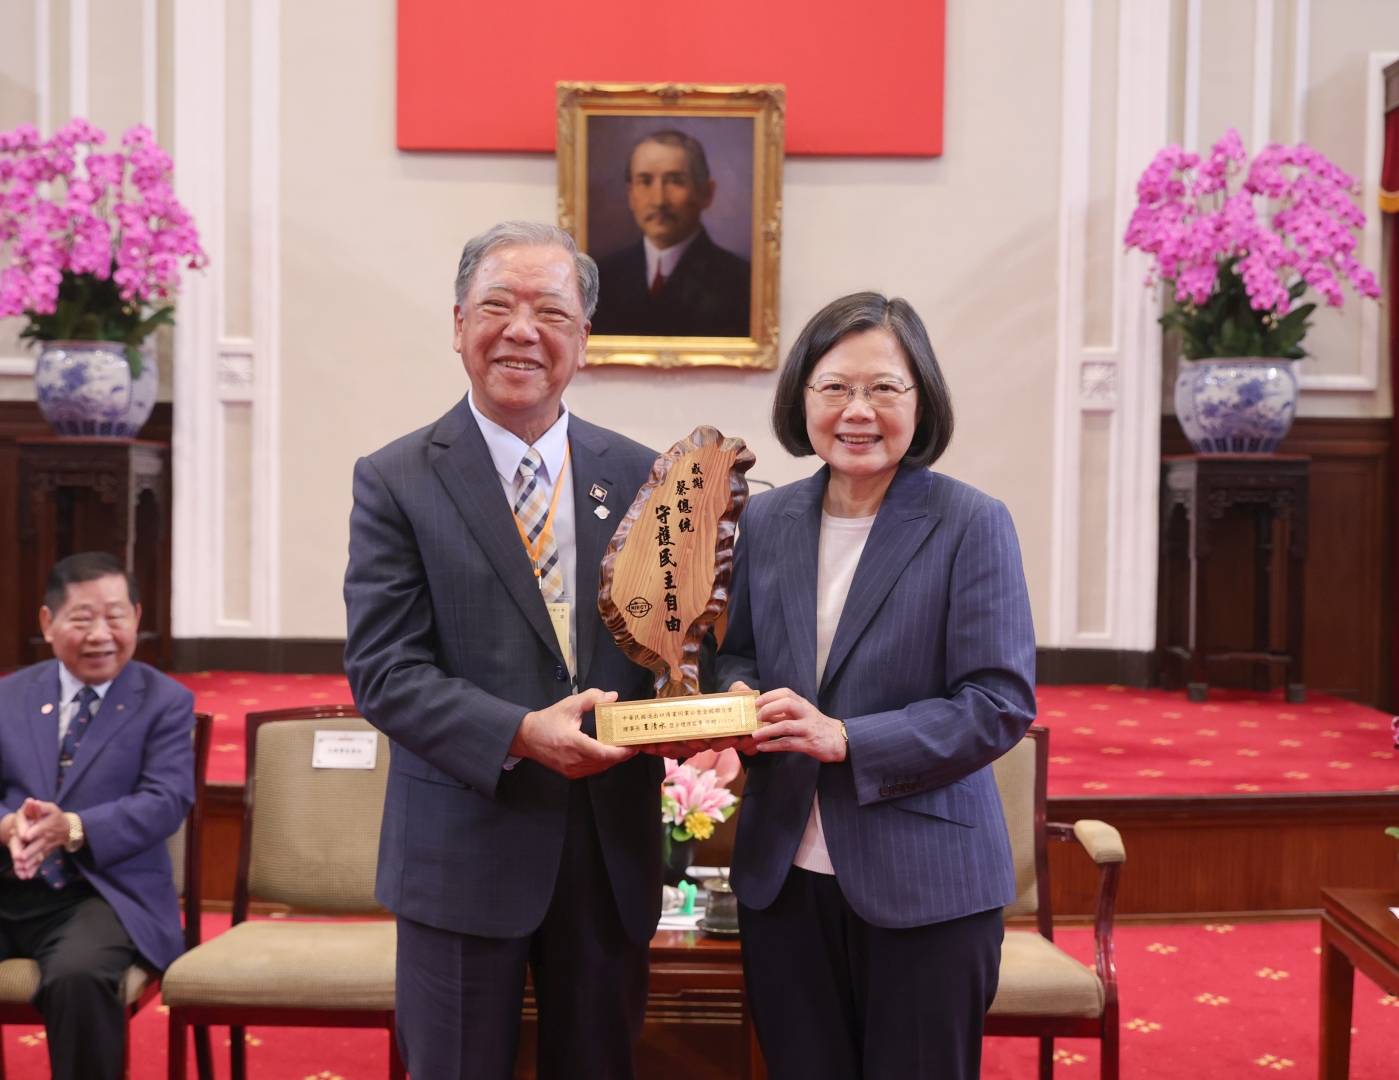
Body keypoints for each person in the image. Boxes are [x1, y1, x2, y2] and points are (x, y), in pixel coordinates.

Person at [344, 220, 667, 1080]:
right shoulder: (396, 479)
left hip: (608, 850)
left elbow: (674, 640)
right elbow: (384, 672)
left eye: (550, 312)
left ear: (583, 338)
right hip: (463, 844)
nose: (523, 331)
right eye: (497, 306)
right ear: (459, 325)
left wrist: (707, 698)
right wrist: (521, 733)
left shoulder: (646, 476)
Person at [711, 292, 1036, 1079]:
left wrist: (847, 738)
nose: (858, 411)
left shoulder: (971, 522)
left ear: (921, 400)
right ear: (803, 398)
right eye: (835, 387)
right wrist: (738, 700)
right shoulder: (766, 521)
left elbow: (997, 702)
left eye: (884, 388)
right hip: (783, 873)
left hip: (927, 881)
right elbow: (737, 652)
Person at [0, 551, 195, 1080]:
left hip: (104, 894)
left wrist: (73, 828)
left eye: (115, 617)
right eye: (83, 619)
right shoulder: (8, 695)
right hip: (2, 889)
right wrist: (7, 826)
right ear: (48, 623)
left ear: (137, 617)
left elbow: (166, 799)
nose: (101, 635)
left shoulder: (164, 700)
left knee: (78, 976)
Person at [590, 130, 751, 338]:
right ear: (631, 194)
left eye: (675, 181)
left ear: (705, 192)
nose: (659, 200)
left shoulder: (740, 282)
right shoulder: (602, 277)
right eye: (645, 181)